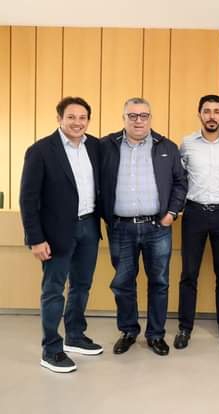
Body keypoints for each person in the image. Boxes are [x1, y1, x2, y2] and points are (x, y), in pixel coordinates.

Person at [99, 97, 187, 357]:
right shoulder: (106, 146)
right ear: (124, 118)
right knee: (123, 283)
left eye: (144, 116)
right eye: (133, 116)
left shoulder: (167, 147)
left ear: (150, 118)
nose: (138, 121)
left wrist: (171, 213)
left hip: (157, 228)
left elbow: (181, 183)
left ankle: (156, 335)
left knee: (159, 282)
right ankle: (128, 331)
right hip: (120, 228)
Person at [20, 97, 102, 373]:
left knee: (82, 285)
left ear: (88, 120)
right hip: (56, 233)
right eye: (71, 117)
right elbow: (28, 199)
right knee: (54, 290)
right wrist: (35, 238)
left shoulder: (95, 147)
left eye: (83, 118)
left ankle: (75, 335)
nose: (77, 122)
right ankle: (51, 349)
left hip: (89, 226)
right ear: (59, 119)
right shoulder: (41, 151)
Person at [174, 95, 219, 350]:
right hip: (194, 214)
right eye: (207, 111)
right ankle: (184, 327)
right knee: (189, 274)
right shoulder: (187, 144)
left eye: (216, 111)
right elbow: (179, 178)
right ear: (199, 114)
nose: (211, 116)